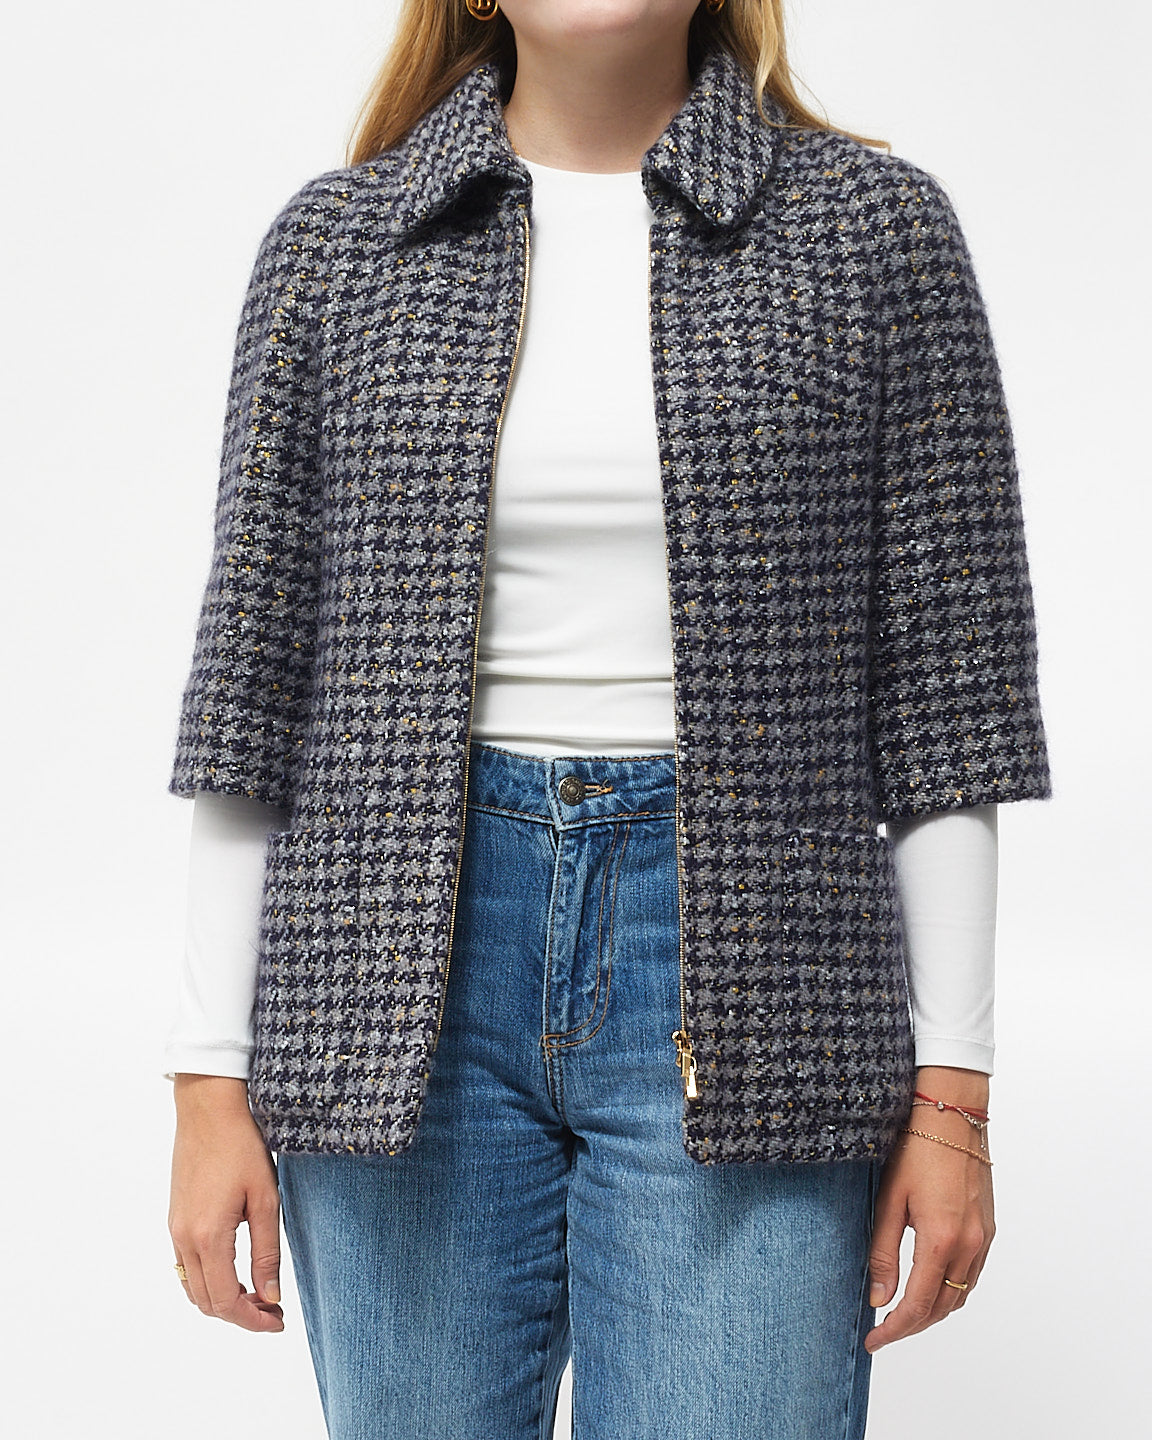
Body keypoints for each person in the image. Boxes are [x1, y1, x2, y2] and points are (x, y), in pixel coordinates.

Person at [163, 2, 1052, 1436]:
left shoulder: (874, 235)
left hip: (763, 973)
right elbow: (252, 693)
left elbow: (954, 710)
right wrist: (209, 1080)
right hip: (387, 974)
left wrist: (954, 1100)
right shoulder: (339, 247)